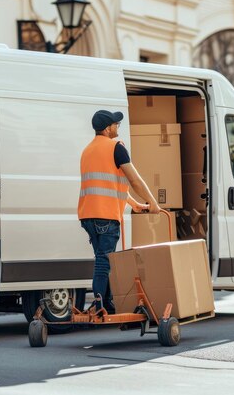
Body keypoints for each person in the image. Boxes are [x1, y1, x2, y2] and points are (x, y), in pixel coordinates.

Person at [78, 109, 161, 314]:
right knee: (103, 262)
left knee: (103, 258)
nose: (118, 127)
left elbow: (110, 186)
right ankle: (99, 305)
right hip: (105, 216)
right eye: (116, 124)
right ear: (107, 128)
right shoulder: (116, 147)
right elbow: (134, 180)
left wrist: (132, 203)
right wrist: (152, 202)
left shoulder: (87, 150)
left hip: (88, 215)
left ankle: (106, 304)